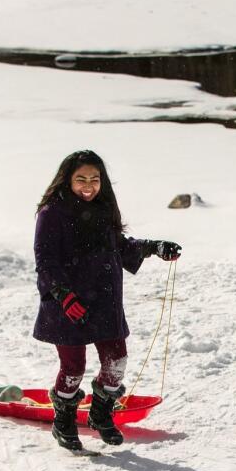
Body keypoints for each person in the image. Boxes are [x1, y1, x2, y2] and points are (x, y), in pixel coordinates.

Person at [32, 149, 181, 451]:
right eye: (81, 179)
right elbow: (45, 260)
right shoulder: (52, 213)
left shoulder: (102, 209)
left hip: (103, 299)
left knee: (117, 360)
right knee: (73, 368)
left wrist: (155, 247)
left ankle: (100, 414)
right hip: (68, 304)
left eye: (95, 179)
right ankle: (64, 422)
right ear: (67, 180)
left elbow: (121, 246)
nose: (89, 186)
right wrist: (63, 295)